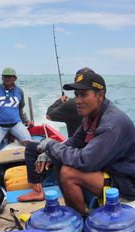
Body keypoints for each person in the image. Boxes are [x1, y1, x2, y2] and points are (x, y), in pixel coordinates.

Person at [34, 72, 135, 214]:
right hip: (111, 169)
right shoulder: (91, 115)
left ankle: (80, 218)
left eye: (83, 95)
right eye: (76, 94)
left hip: (128, 183)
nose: (77, 100)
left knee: (68, 173)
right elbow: (74, 141)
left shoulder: (111, 123)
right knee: (59, 159)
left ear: (100, 96)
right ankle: (75, 209)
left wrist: (50, 145)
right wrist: (50, 153)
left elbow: (85, 161)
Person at [17, 67, 95, 202]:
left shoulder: (72, 104)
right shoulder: (99, 107)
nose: (79, 100)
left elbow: (49, 115)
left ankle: (37, 190)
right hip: (87, 152)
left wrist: (60, 101)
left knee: (31, 148)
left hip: (77, 154)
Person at [46, 67, 95, 137]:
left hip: (74, 146)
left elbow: (49, 115)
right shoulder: (101, 104)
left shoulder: (70, 104)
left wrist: (60, 101)